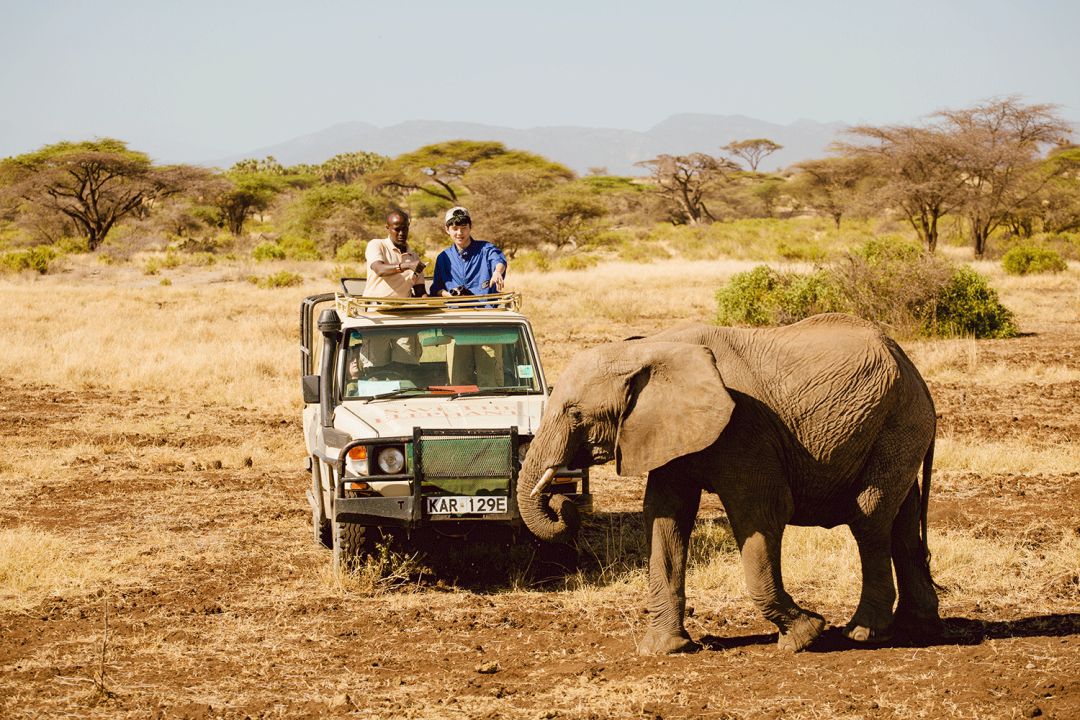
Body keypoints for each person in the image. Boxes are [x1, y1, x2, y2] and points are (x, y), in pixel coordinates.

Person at [430, 206, 508, 297]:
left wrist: (497, 272)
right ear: (447, 230)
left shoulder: (485, 249)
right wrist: (449, 295)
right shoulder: (443, 258)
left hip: (485, 308)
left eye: (464, 227)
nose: (459, 233)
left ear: (470, 227)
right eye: (455, 228)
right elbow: (436, 288)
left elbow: (498, 260)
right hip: (455, 309)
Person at [364, 210, 427, 299]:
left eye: (405, 229)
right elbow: (379, 269)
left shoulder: (414, 257)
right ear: (388, 227)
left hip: (404, 309)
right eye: (397, 229)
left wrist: (431, 303)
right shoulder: (377, 245)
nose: (401, 233)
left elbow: (420, 292)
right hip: (376, 308)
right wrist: (407, 266)